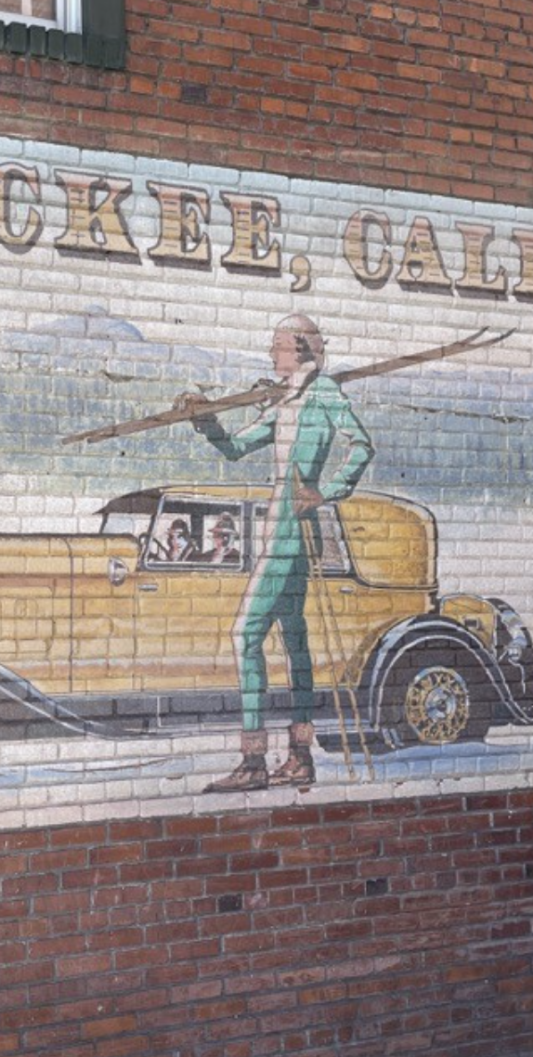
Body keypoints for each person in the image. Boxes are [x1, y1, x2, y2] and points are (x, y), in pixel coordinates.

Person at [181, 315, 374, 792]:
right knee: (295, 643)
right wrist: (206, 421)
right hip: (280, 530)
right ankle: (300, 758)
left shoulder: (323, 393)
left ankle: (253, 762)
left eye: (279, 347)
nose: (272, 355)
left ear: (303, 350)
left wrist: (325, 491)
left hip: (293, 535)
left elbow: (362, 447)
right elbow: (236, 447)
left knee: (246, 634)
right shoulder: (285, 398)